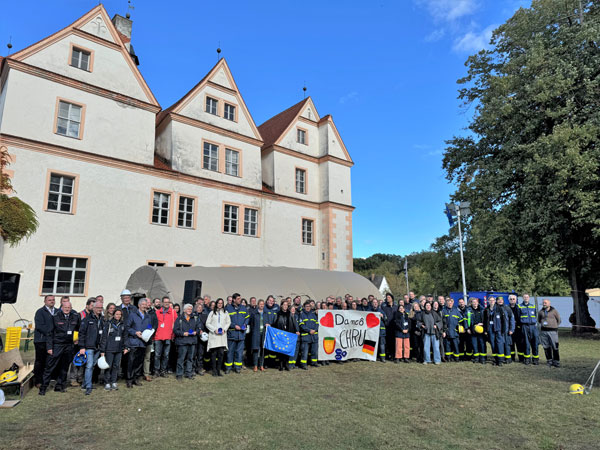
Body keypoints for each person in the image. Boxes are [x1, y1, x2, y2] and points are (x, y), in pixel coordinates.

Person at [39, 301, 80, 395]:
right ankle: (43, 387)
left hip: (69, 345)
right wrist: (49, 347)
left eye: (69, 307)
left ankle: (60, 385)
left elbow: (78, 329)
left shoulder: (75, 316)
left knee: (64, 367)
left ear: (71, 308)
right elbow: (49, 333)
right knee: (50, 366)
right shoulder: (55, 317)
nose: (67, 309)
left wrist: (76, 339)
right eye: (65, 307)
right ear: (62, 307)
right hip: (57, 345)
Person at [125, 298, 153, 388]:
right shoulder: (132, 315)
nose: (144, 306)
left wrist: (149, 331)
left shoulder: (148, 316)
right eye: (143, 304)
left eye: (146, 305)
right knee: (131, 362)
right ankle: (129, 380)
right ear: (139, 305)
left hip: (143, 342)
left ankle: (136, 379)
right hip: (134, 342)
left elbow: (149, 326)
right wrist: (135, 332)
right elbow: (127, 327)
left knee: (139, 362)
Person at [78, 299, 104, 395]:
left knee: (92, 366)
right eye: (97, 307)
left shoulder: (102, 319)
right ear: (93, 308)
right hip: (89, 346)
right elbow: (82, 334)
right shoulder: (87, 319)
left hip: (98, 347)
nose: (99, 309)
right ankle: (88, 386)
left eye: (101, 308)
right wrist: (82, 347)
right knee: (89, 366)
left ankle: (85, 384)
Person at [99, 308, 127, 391]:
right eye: (117, 314)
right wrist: (102, 351)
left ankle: (114, 381)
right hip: (109, 349)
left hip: (118, 349)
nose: (118, 316)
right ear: (113, 315)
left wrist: (125, 347)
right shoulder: (109, 324)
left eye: (120, 314)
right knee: (109, 366)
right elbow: (104, 338)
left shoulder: (122, 324)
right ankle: (107, 382)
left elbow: (125, 337)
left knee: (116, 366)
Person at [33, 295, 57, 387]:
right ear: (45, 301)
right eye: (49, 300)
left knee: (50, 361)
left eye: (53, 300)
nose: (52, 301)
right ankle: (38, 380)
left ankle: (49, 379)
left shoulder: (57, 311)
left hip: (53, 341)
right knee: (40, 361)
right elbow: (39, 326)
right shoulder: (40, 312)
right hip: (41, 340)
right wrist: (51, 332)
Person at [225, 293, 250, 374]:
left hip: (241, 335)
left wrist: (245, 324)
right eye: (238, 299)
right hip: (232, 334)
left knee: (239, 352)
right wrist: (234, 326)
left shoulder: (243, 308)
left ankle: (237, 367)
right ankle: (228, 367)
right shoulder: (228, 309)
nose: (240, 300)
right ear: (234, 300)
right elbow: (226, 321)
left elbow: (247, 317)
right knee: (230, 352)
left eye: (240, 298)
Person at [173, 304, 199, 380]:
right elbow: (175, 330)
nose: (189, 311)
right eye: (188, 309)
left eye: (191, 309)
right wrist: (183, 333)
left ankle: (188, 373)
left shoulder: (194, 318)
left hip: (192, 341)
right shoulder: (179, 319)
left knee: (190, 358)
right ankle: (179, 374)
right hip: (182, 341)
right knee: (181, 358)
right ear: (184, 310)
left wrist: (196, 332)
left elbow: (198, 327)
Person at [206, 298, 230, 377]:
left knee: (221, 354)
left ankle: (218, 370)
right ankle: (214, 371)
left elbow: (228, 322)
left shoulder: (225, 313)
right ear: (216, 304)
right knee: (214, 354)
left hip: (222, 336)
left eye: (221, 303)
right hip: (214, 336)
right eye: (218, 303)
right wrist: (214, 330)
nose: (220, 304)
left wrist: (224, 329)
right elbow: (207, 323)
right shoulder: (212, 313)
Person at [154, 296, 176, 377]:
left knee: (166, 355)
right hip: (158, 337)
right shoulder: (157, 312)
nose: (166, 303)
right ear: (162, 303)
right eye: (165, 302)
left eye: (168, 302)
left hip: (168, 336)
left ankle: (163, 370)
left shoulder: (173, 313)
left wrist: (173, 335)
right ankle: (156, 370)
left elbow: (176, 325)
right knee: (157, 355)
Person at [274, 301, 299, 371]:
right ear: (281, 305)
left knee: (287, 349)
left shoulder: (290, 314)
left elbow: (294, 323)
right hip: (280, 334)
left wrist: (297, 330)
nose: (285, 306)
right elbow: (275, 323)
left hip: (288, 334)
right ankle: (281, 364)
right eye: (284, 305)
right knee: (281, 350)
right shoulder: (278, 314)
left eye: (286, 305)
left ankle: (286, 364)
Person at [484, 296, 507, 366]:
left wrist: (503, 329)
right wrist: (485, 330)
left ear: (495, 301)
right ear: (488, 301)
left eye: (493, 300)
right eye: (490, 300)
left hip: (498, 329)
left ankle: (500, 360)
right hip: (490, 329)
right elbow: (484, 321)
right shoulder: (486, 310)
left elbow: (503, 320)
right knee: (493, 344)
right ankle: (495, 359)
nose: (491, 301)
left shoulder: (499, 309)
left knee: (499, 344)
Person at [538, 299, 561, 367]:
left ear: (549, 304)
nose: (544, 304)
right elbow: (539, 320)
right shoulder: (540, 312)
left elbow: (559, 320)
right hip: (544, 332)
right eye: (543, 303)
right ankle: (549, 360)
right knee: (546, 346)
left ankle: (556, 361)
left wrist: (554, 326)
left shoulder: (554, 311)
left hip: (553, 331)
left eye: (546, 303)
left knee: (555, 346)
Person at [518, 294, 539, 365]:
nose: (526, 298)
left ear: (529, 298)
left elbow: (535, 315)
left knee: (535, 343)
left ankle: (535, 359)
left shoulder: (533, 306)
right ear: (522, 298)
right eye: (524, 297)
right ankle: (527, 359)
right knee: (526, 343)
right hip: (524, 326)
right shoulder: (519, 306)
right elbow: (518, 317)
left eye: (527, 297)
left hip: (533, 326)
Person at [299, 300, 319, 369]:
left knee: (314, 351)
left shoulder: (313, 314)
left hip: (314, 336)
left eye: (309, 306)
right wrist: (309, 330)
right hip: (306, 336)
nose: (308, 308)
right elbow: (302, 325)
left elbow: (317, 323)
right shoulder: (301, 315)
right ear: (304, 307)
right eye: (306, 306)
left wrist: (314, 330)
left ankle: (314, 362)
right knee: (305, 351)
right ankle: (303, 364)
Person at [467, 298, 486, 364]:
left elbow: (486, 319)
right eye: (473, 302)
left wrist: (483, 324)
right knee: (474, 345)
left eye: (476, 302)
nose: (474, 303)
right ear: (471, 303)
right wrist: (467, 328)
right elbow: (466, 320)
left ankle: (483, 358)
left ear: (478, 303)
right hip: (472, 330)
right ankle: (476, 358)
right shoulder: (468, 310)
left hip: (481, 330)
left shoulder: (482, 310)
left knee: (482, 344)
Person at [497, 296, 515, 364]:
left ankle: (508, 358)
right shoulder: (495, 308)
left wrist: (511, 329)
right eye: (499, 300)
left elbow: (512, 319)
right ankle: (501, 359)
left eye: (501, 300)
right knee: (500, 345)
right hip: (498, 330)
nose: (500, 301)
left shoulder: (507, 308)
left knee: (507, 344)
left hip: (506, 330)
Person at [250, 299, 267, 372]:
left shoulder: (266, 313)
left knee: (262, 350)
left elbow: (268, 322)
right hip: (256, 334)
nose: (262, 305)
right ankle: (255, 366)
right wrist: (253, 332)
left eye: (263, 304)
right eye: (260, 304)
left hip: (263, 334)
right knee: (256, 350)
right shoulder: (254, 313)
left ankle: (261, 365)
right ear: (258, 305)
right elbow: (251, 324)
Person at [508, 294, 523, 362]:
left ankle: (521, 358)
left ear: (516, 300)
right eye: (511, 299)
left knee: (519, 344)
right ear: (509, 300)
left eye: (513, 299)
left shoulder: (519, 308)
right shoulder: (506, 308)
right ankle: (512, 357)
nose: (512, 300)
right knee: (511, 344)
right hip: (509, 329)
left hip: (518, 328)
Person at [193, 303, 207, 375]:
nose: (199, 308)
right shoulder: (192, 315)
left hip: (202, 338)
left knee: (200, 354)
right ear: (195, 308)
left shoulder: (205, 316)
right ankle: (193, 369)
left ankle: (199, 368)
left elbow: (206, 325)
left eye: (201, 307)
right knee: (193, 354)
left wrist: (204, 331)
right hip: (194, 337)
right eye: (198, 307)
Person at [382, 293, 396, 360]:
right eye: (387, 297)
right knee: (388, 342)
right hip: (387, 327)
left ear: (392, 298)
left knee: (394, 342)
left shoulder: (396, 307)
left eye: (389, 297)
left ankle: (394, 355)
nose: (387, 298)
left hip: (395, 327)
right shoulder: (385, 308)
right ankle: (389, 354)